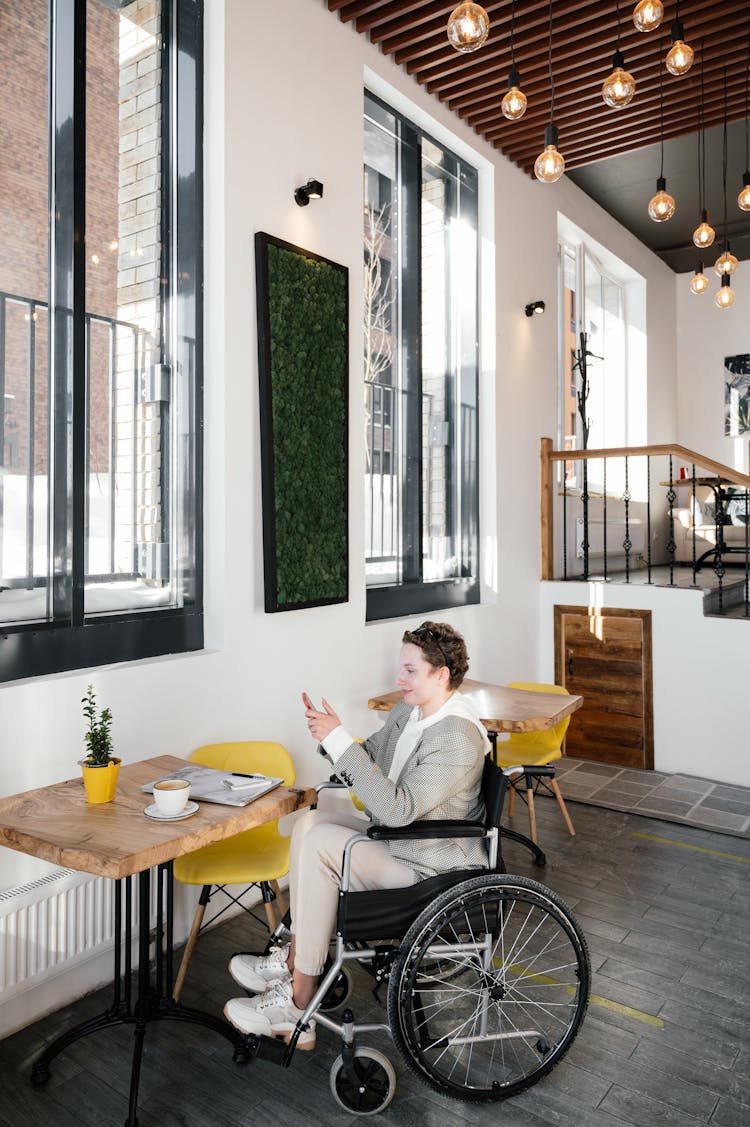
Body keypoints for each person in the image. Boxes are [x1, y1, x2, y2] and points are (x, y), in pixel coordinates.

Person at [223, 621, 490, 1048]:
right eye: (400, 669)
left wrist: (340, 740)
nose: (398, 679)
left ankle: (298, 1005)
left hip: (429, 864)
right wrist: (334, 736)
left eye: (409, 671)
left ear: (441, 675)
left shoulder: (456, 736)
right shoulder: (411, 712)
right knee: (310, 823)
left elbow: (397, 809)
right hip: (402, 843)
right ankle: (295, 960)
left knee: (324, 847)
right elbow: (370, 757)